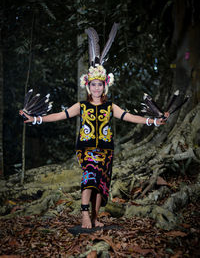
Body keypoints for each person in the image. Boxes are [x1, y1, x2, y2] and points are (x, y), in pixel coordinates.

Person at [19, 24, 168, 229]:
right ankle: (84, 215)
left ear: (104, 86)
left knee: (101, 184)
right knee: (90, 175)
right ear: (87, 86)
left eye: (99, 84)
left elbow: (131, 117)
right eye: (93, 84)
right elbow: (59, 116)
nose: (96, 88)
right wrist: (36, 119)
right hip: (86, 149)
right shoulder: (81, 106)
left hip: (107, 150)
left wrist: (153, 121)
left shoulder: (110, 106)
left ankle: (96, 217)